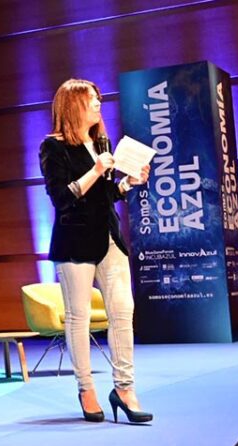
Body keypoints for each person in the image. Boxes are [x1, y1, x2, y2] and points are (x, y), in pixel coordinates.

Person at [39, 78, 152, 423]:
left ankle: (125, 388)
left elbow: (105, 198)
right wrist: (96, 170)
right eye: (91, 100)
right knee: (79, 317)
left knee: (123, 309)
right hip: (74, 241)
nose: (98, 104)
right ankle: (86, 388)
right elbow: (62, 198)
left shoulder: (100, 143)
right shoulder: (53, 147)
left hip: (109, 237)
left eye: (98, 99)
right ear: (73, 105)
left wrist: (127, 183)